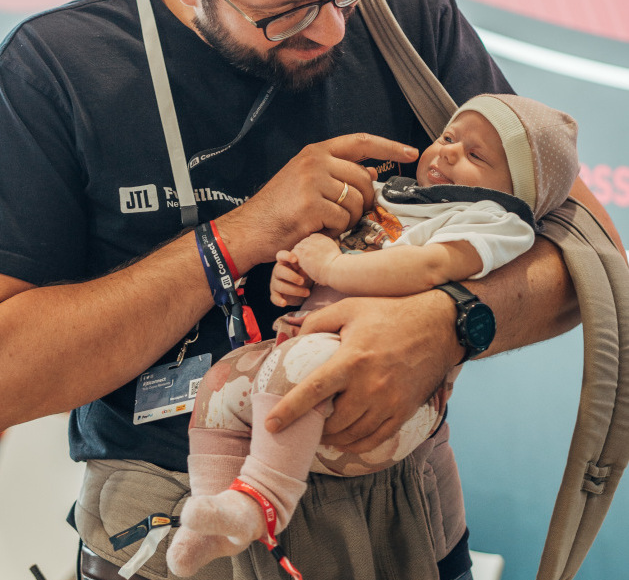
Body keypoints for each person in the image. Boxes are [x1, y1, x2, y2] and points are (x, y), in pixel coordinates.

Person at [0, 0, 623, 580]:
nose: (330, 29)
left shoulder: (411, 22)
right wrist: (239, 236)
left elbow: (591, 252)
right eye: (287, 12)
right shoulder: (62, 71)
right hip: (176, 523)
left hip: (404, 521)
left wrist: (448, 322)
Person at [166, 93, 580, 577]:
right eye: (448, 137)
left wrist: (336, 266)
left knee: (298, 373)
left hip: (384, 396)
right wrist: (298, 271)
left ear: (519, 189)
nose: (447, 152)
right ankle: (215, 513)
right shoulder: (396, 196)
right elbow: (339, 247)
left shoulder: (493, 221)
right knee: (219, 382)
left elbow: (427, 266)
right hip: (301, 348)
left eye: (475, 155)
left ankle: (264, 499)